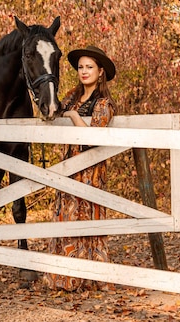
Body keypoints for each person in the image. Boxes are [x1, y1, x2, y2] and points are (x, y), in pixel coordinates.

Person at [44, 45, 117, 292]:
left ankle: (90, 276)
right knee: (66, 216)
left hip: (90, 171)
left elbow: (94, 137)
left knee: (88, 218)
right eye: (81, 67)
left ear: (101, 71)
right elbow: (51, 111)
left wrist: (74, 117)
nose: (84, 72)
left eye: (89, 67)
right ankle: (65, 278)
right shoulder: (71, 97)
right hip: (69, 167)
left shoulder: (104, 102)